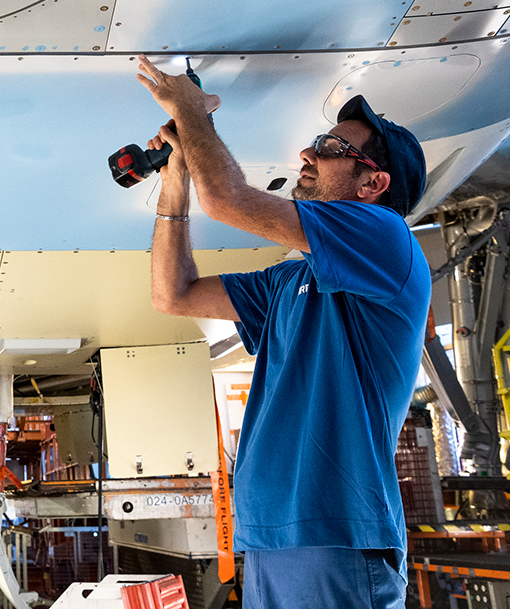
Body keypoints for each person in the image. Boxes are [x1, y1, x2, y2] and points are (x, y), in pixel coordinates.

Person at [136, 55, 429, 609]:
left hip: (334, 531)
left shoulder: (387, 238)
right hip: (273, 532)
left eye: (330, 147)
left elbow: (226, 200)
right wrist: (175, 180)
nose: (307, 154)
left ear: (374, 184)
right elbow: (172, 295)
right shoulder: (292, 278)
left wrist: (194, 113)